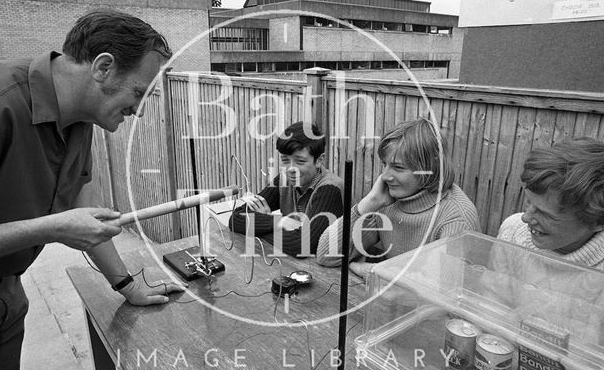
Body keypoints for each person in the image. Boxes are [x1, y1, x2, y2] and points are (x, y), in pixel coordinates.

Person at [0, 10, 185, 370]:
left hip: (5, 297)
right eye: (138, 92)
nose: (140, 110)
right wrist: (48, 229)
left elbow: (86, 211)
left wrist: (127, 284)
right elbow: (58, 226)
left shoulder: (81, 119)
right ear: (103, 68)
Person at [316, 118, 481, 276]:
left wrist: (369, 270)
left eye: (398, 167)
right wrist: (368, 203)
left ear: (429, 168)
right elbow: (325, 255)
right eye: (384, 164)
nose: (385, 176)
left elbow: (441, 290)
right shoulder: (386, 201)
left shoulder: (456, 218)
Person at [229, 122, 344, 257]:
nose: (291, 169)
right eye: (285, 160)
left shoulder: (330, 189)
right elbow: (236, 219)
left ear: (319, 160)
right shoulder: (285, 179)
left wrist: (260, 224)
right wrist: (280, 222)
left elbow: (303, 246)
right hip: (291, 264)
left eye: (300, 161)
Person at [497, 138, 604, 269]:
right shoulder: (512, 231)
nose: (525, 218)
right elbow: (491, 287)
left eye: (545, 214)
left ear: (598, 222)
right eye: (528, 201)